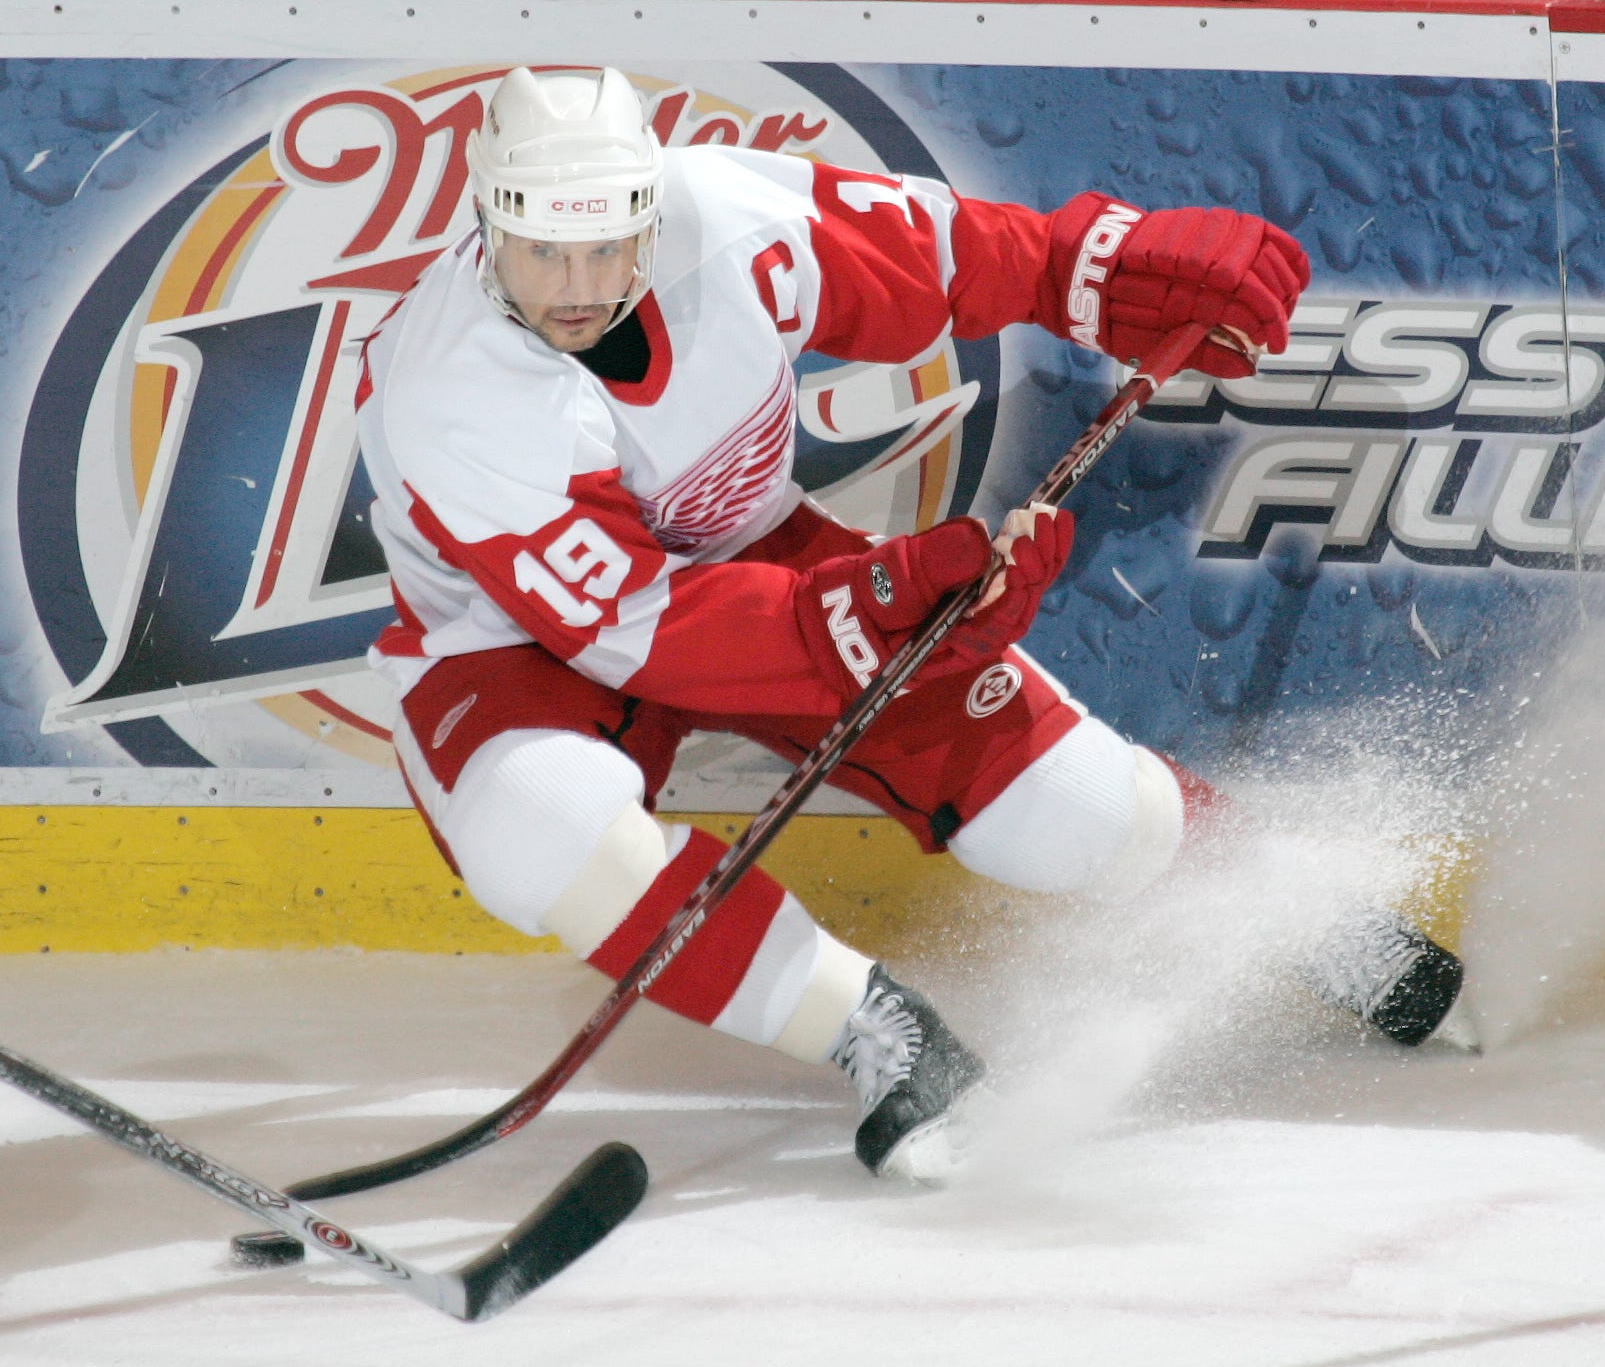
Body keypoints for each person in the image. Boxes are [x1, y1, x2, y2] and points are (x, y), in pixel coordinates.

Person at [353, 66, 1461, 1187]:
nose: (577, 285)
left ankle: (1295, 906)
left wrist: (1084, 274)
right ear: (489, 220)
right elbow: (639, 632)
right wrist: (854, 615)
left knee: (1060, 814)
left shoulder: (724, 221)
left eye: (604, 248)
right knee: (535, 830)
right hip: (512, 647)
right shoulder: (454, 391)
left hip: (752, 564)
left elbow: (929, 256)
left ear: (646, 210)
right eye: (542, 251)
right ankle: (878, 1032)